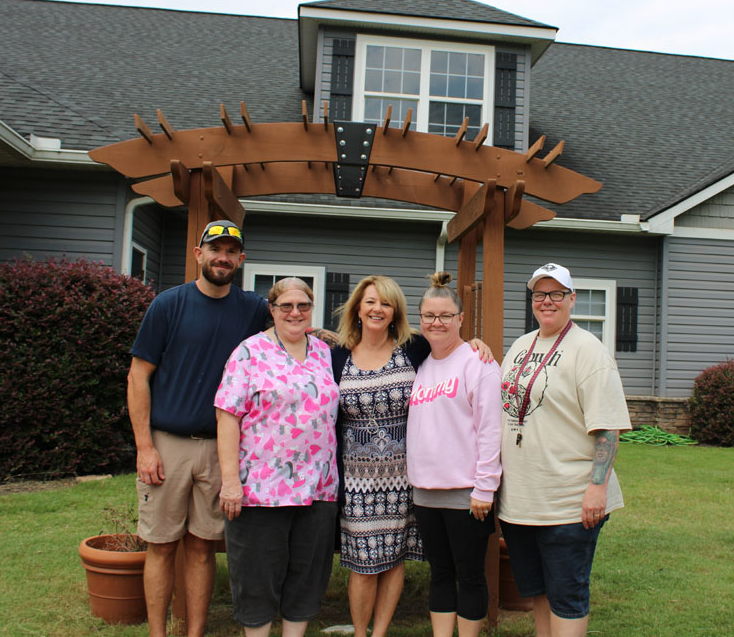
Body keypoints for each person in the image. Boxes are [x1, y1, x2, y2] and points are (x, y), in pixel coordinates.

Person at [127, 220, 270, 637]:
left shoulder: (251, 309)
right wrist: (144, 447)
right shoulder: (168, 305)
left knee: (202, 548)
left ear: (240, 260)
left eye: (231, 252)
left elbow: (296, 327)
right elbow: (139, 377)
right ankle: (158, 633)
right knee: (160, 546)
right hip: (166, 446)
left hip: (220, 449)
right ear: (198, 254)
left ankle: (195, 632)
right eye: (215, 249)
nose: (222, 257)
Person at [330, 274, 493, 637]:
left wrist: (476, 343)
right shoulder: (337, 355)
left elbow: (449, 347)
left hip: (405, 476)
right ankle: (361, 633)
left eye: (386, 303)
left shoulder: (412, 348)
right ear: (358, 307)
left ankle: (381, 630)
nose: (378, 309)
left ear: (396, 312)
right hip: (358, 478)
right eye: (371, 301)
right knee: (362, 563)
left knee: (393, 558)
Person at [497, 263, 632, 637]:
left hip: (569, 502)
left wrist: (597, 487)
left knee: (567, 595)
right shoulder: (521, 345)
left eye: (557, 294)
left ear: (572, 299)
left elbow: (607, 427)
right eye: (540, 294)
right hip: (521, 500)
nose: (547, 301)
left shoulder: (589, 351)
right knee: (538, 591)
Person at [214, 278, 340, 637]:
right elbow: (227, 417)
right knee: (257, 576)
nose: (295, 312)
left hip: (318, 487)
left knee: (307, 575)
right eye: (286, 305)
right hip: (261, 489)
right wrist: (230, 482)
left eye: (302, 305)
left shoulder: (323, 351)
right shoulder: (249, 352)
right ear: (271, 309)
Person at [407, 272, 502, 637]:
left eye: (445, 315)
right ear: (421, 320)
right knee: (441, 573)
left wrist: (484, 488)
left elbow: (491, 430)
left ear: (460, 319)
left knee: (470, 576)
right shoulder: (424, 365)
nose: (437, 322)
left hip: (466, 494)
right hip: (426, 492)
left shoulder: (478, 364)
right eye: (430, 315)